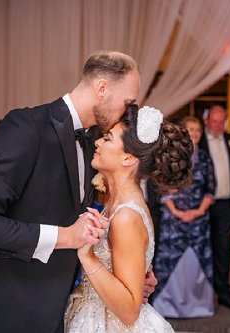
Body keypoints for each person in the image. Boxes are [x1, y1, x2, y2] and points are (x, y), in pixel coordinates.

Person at [0, 50, 156, 333]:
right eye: (127, 102)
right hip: (15, 313)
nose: (127, 112)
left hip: (63, 314)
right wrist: (64, 236)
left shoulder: (92, 144)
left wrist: (130, 275)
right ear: (102, 89)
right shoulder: (27, 128)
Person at [65, 105, 193, 331]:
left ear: (128, 158)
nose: (97, 143)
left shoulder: (126, 216)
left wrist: (88, 257)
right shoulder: (115, 204)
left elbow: (130, 311)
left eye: (107, 139)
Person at [152, 116, 215, 318]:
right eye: (191, 129)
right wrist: (177, 212)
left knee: (195, 264)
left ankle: (197, 306)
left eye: (198, 129)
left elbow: (211, 189)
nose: (195, 132)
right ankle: (166, 306)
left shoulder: (205, 158)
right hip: (173, 220)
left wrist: (198, 211)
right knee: (170, 262)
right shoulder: (171, 155)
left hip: (198, 220)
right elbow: (162, 188)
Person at [198, 105, 230, 309]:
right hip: (202, 206)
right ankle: (203, 295)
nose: (217, 125)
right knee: (202, 250)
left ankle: (224, 294)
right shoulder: (197, 142)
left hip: (227, 206)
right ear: (207, 121)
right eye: (214, 121)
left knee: (224, 251)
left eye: (221, 122)